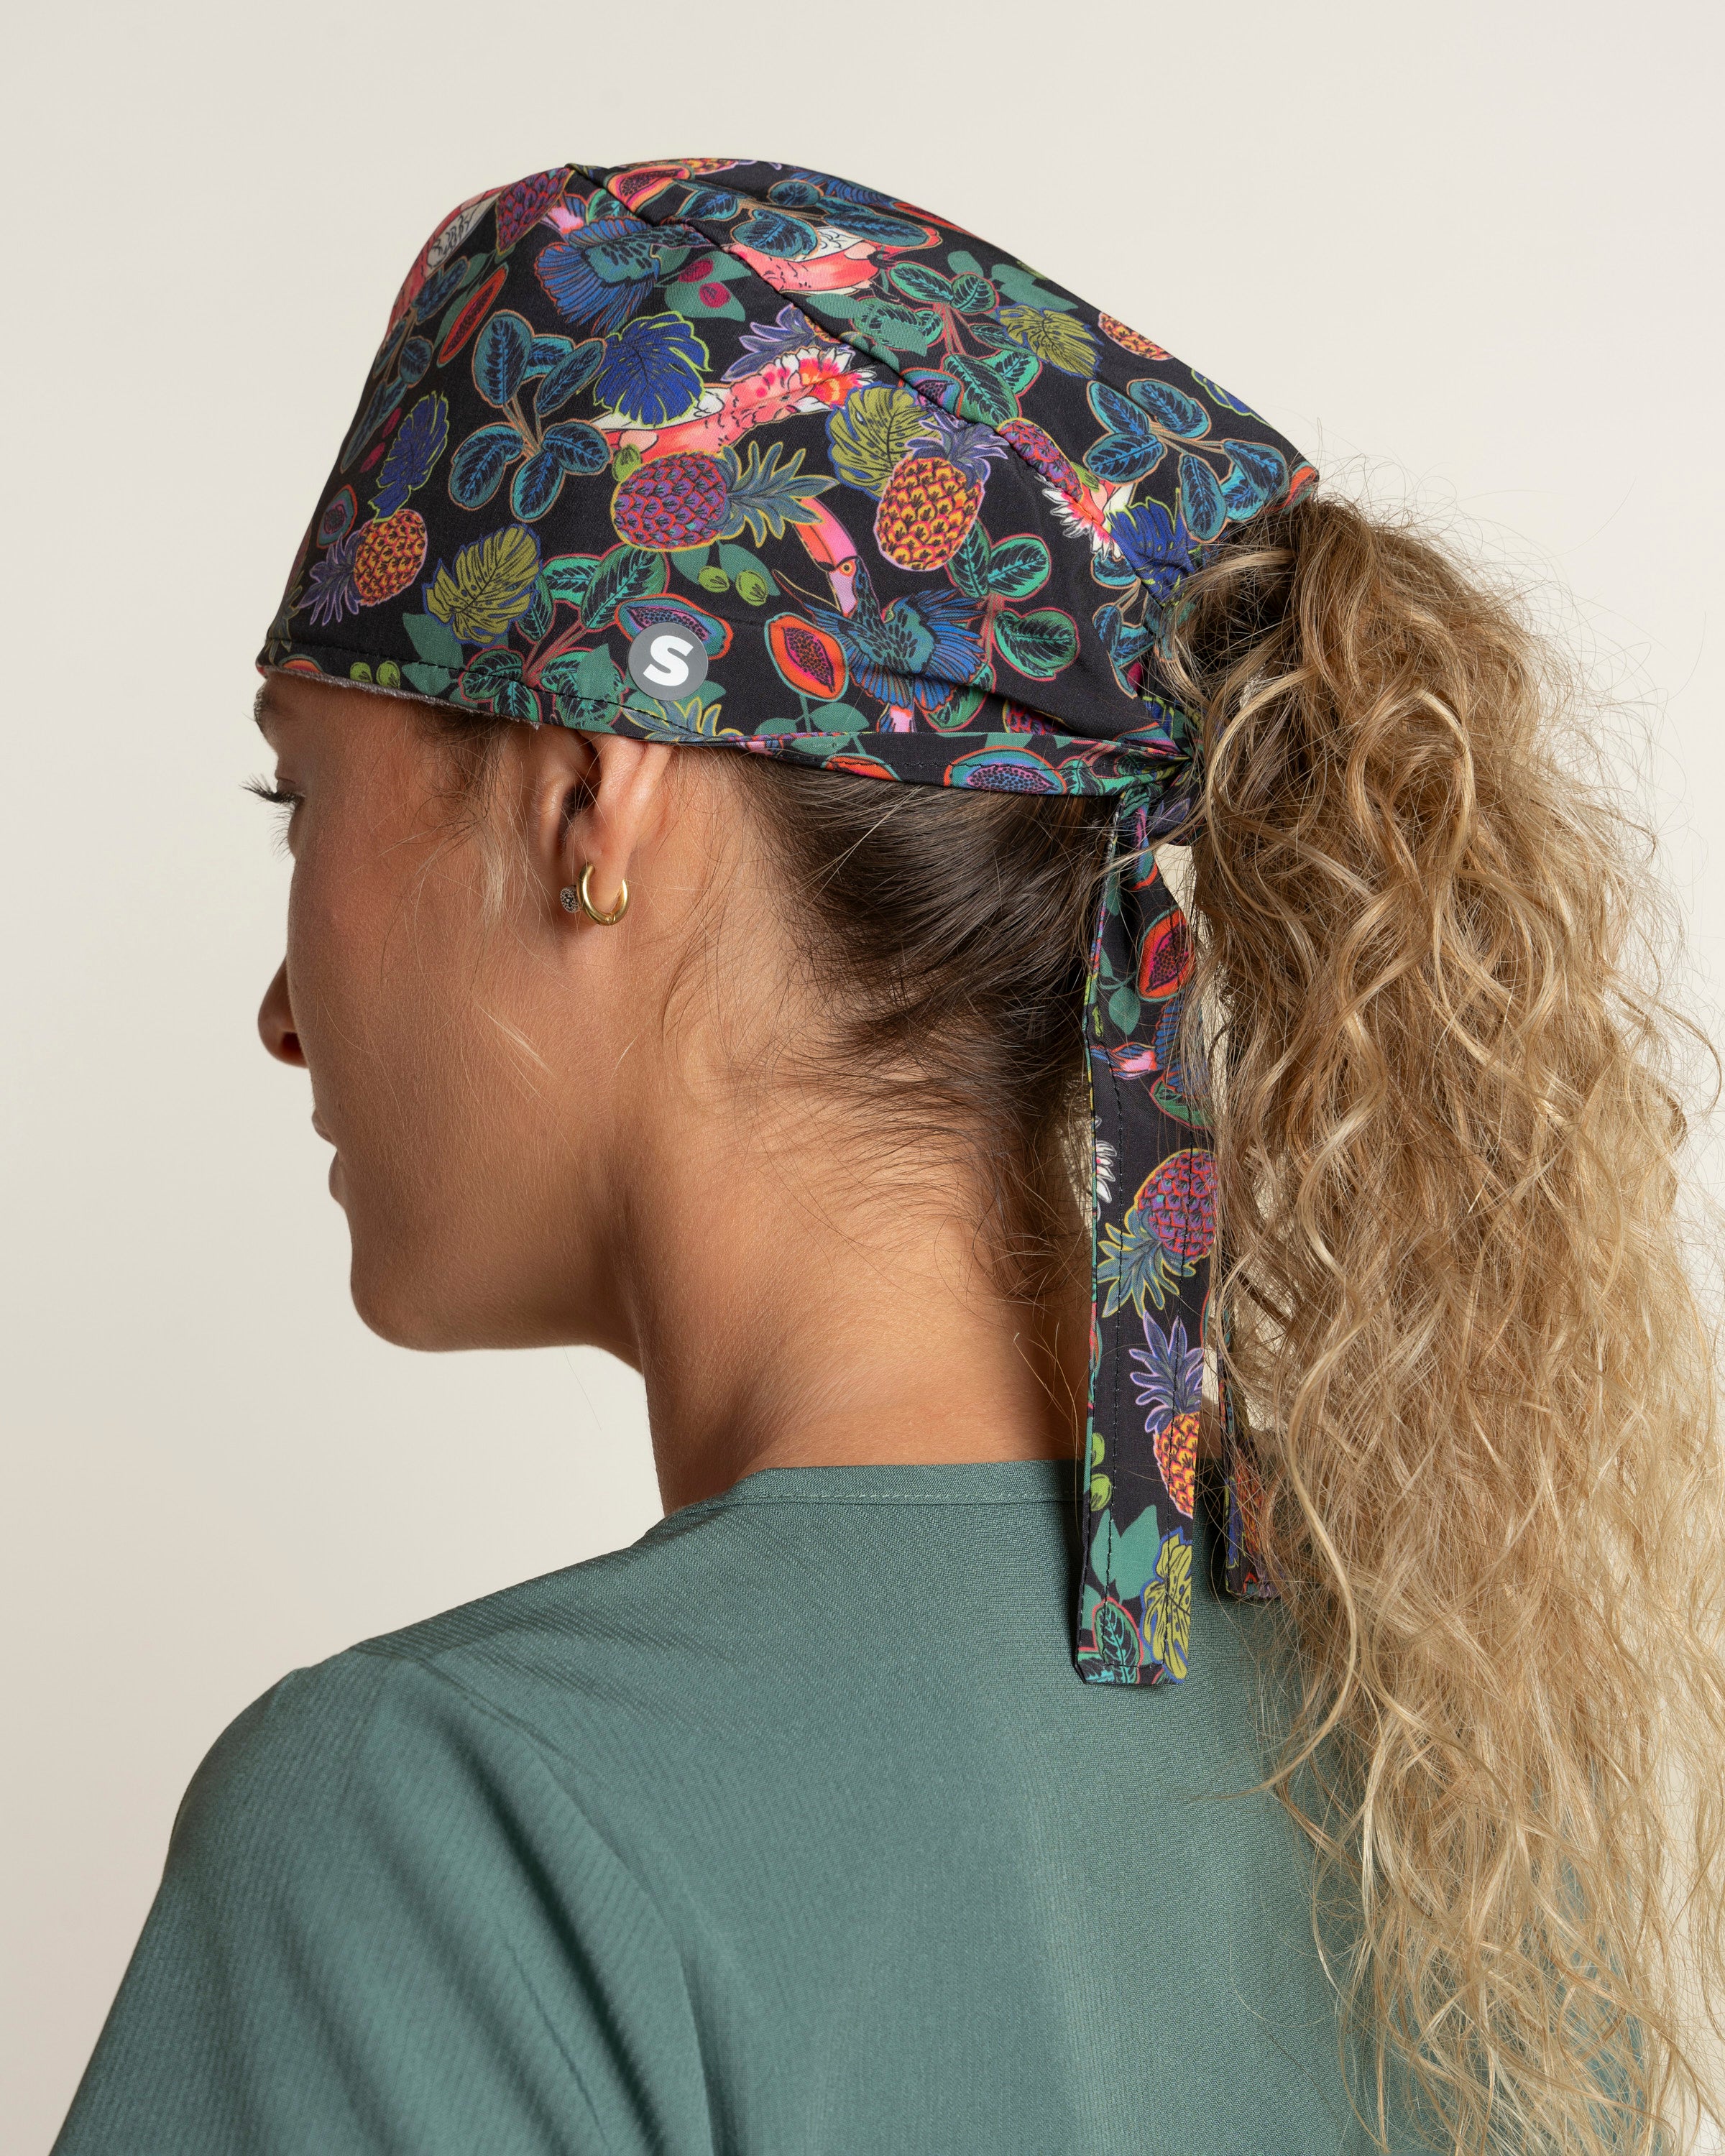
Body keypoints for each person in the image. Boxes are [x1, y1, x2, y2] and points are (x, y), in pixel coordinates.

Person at [54, 157, 1724, 2156]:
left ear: (591, 798)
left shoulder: (440, 1841)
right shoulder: (1451, 1808)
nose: (282, 1011)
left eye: (300, 794)